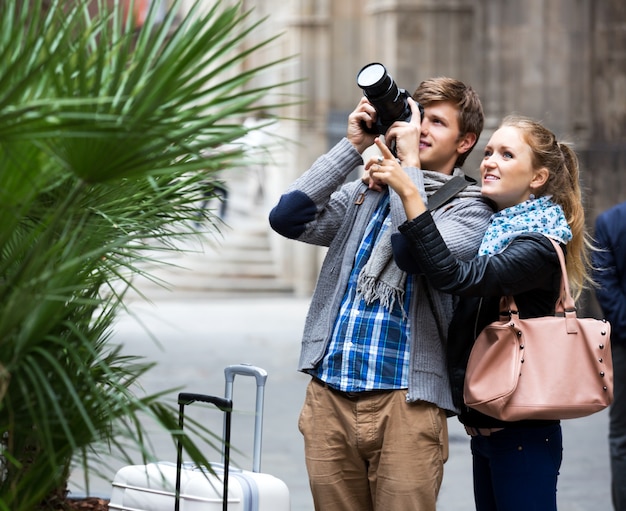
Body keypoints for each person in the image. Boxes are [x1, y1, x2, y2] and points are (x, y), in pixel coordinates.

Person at [268, 77, 492, 510]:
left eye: (438, 124)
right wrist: (353, 147)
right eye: (418, 118)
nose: (422, 130)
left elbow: (412, 251)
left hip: (406, 403)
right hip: (330, 394)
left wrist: (404, 173)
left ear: (466, 141)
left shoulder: (472, 207)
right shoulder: (367, 193)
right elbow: (288, 217)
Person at [368, 115, 591, 510]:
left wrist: (412, 194)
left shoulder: (538, 245)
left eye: (507, 154)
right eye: (488, 152)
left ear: (537, 178)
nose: (489, 161)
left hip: (522, 435)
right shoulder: (498, 230)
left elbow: (455, 276)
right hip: (488, 430)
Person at [592, 200, 626, 511]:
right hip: (623, 344)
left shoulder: (610, 221)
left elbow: (605, 284)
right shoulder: (611, 222)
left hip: (623, 341)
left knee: (621, 437)